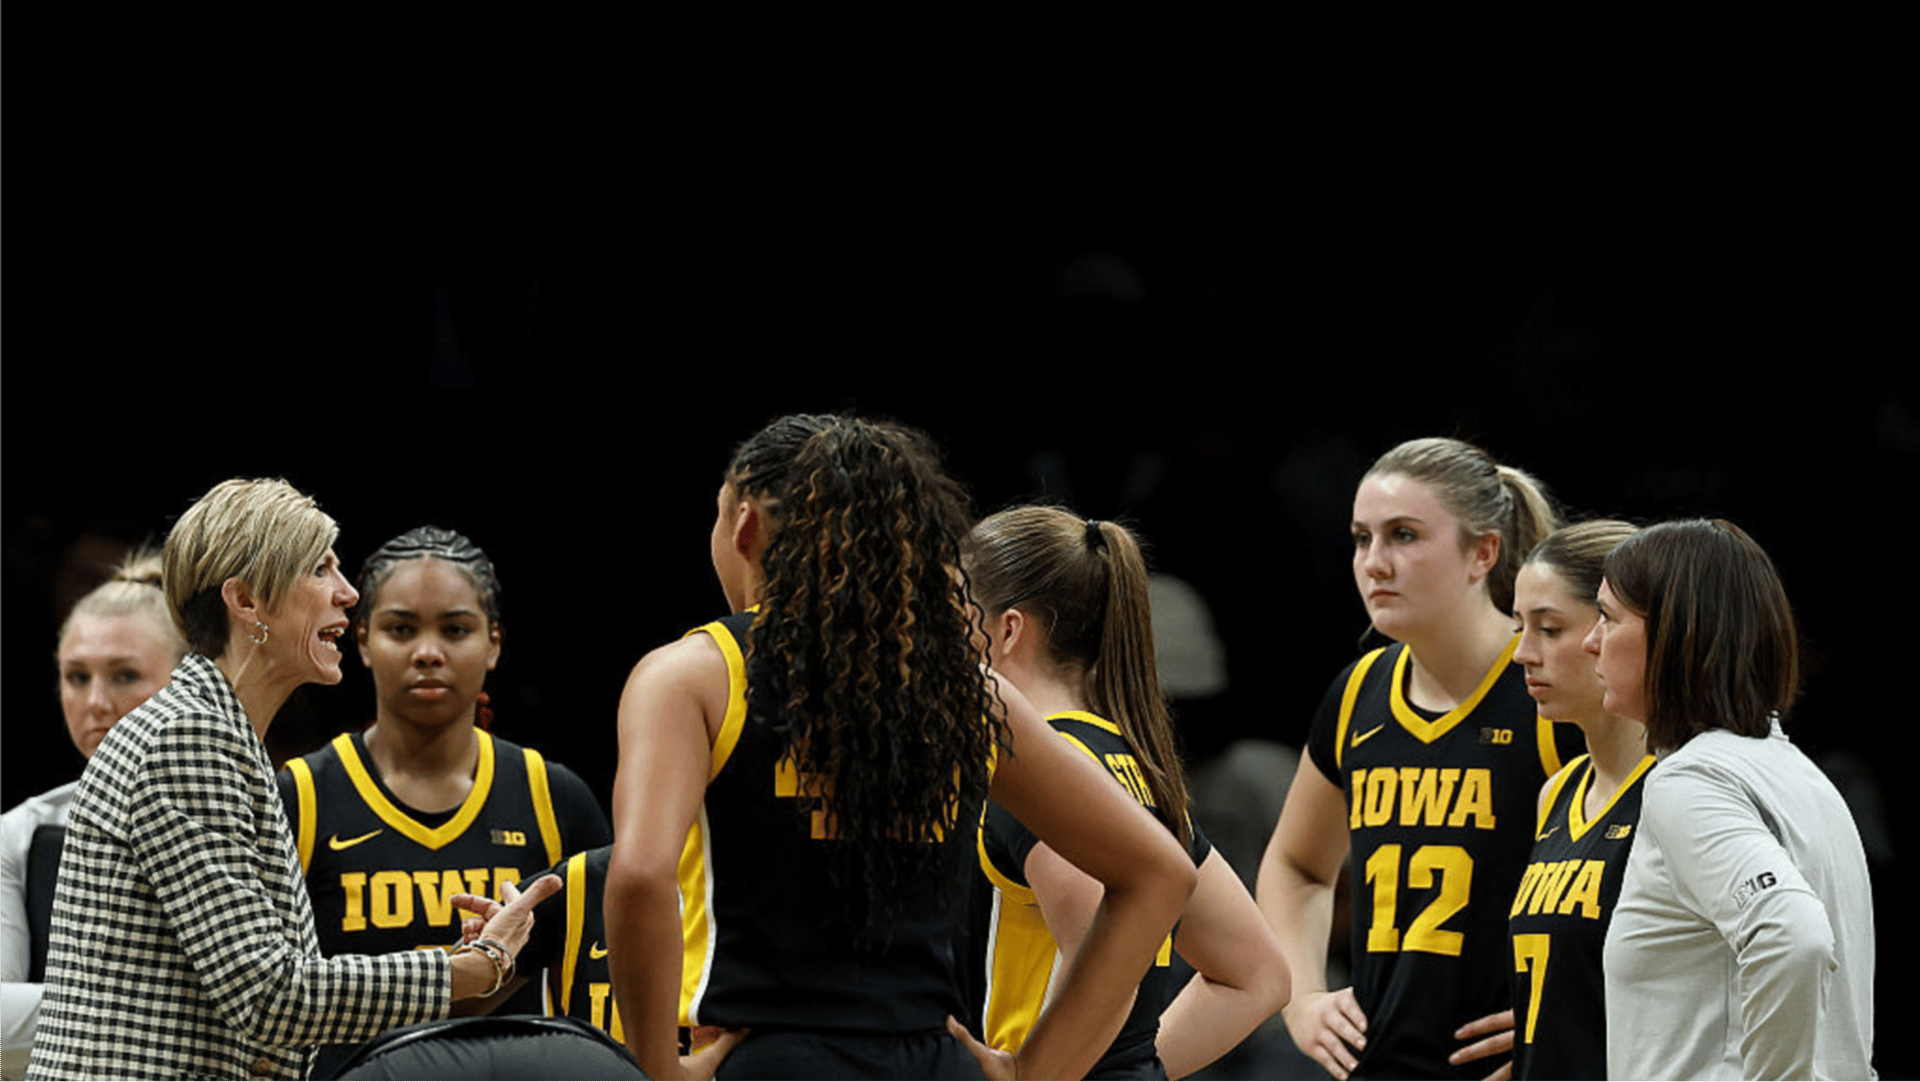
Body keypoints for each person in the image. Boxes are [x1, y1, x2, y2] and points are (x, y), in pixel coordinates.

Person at [603, 415, 1197, 1081]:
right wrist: (1036, 1073)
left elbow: (638, 876)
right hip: (931, 1061)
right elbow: (1161, 875)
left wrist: (660, 1067)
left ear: (742, 526)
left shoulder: (695, 674)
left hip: (770, 1061)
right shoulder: (968, 692)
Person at [26, 479, 559, 1081]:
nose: (348, 592)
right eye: (320, 569)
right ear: (247, 602)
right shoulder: (187, 739)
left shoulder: (215, 733)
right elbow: (268, 996)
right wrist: (471, 968)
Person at [1255, 436, 1570, 1081]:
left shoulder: (1549, 689)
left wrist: (1573, 1012)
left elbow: (1646, 891)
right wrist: (1303, 999)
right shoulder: (1357, 694)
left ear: (1483, 552)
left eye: (1403, 536)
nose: (1374, 562)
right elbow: (1296, 866)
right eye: (1360, 538)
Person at [963, 505, 1289, 1080]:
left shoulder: (1040, 775)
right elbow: (1256, 976)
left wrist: (1029, 1075)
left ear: (1008, 630)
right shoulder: (1134, 765)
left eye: (953, 616)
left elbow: (1106, 965)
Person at [277, 526, 610, 1078]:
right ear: (361, 640)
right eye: (401, 629)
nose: (427, 653)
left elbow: (609, 977)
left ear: (495, 642)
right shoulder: (300, 797)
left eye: (455, 630)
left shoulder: (554, 796)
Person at [1591, 519, 1875, 1081]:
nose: (1589, 640)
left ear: (1675, 634)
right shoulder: (1805, 777)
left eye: (1607, 616)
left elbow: (1792, 938)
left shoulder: (1689, 780)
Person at [1, 552, 187, 1080]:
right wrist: (177, 1010)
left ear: (189, 679)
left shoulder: (259, 809)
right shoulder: (20, 832)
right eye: (76, 677)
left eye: (125, 675)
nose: (96, 703)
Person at [1497, 520, 1650, 1081]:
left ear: (1613, 628)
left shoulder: (1681, 791)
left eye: (1549, 628)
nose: (1522, 654)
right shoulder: (1557, 792)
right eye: (1519, 627)